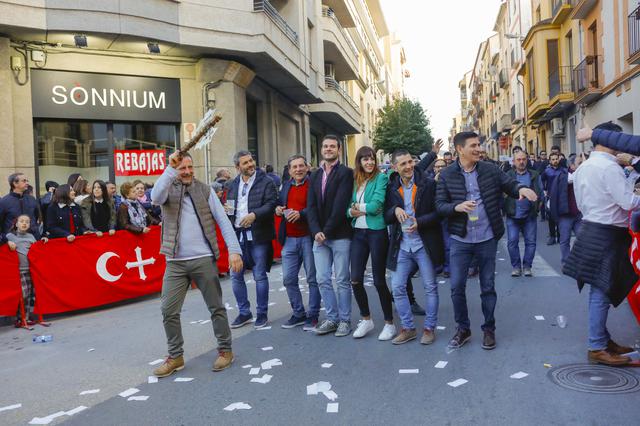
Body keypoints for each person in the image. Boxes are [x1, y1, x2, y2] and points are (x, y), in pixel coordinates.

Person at [436, 131, 537, 350]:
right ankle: (463, 329)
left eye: (479, 144)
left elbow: (509, 184)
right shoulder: (446, 175)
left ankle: (488, 329)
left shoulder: (490, 170)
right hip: (460, 239)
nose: (479, 149)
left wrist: (522, 188)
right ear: (460, 149)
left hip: (487, 238)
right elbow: (439, 206)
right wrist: (457, 207)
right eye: (473, 145)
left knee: (488, 286)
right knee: (456, 287)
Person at [150, 152, 243, 377]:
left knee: (216, 308)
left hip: (203, 259)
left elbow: (222, 220)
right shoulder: (167, 188)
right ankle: (176, 356)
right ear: (174, 169)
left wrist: (234, 250)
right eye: (182, 168)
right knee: (168, 310)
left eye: (190, 167)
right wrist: (169, 171)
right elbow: (154, 197)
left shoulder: (205, 189)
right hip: (174, 262)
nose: (188, 172)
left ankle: (225, 350)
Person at [563, 122, 638, 366]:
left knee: (599, 289)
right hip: (607, 233)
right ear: (611, 141)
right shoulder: (609, 168)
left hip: (591, 228)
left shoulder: (584, 167)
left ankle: (603, 340)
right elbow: (627, 203)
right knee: (601, 291)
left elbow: (582, 203)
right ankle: (597, 346)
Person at [385, 149, 444, 345]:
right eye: (403, 164)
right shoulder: (392, 187)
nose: (408, 166)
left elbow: (438, 213)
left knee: (430, 287)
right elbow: (386, 215)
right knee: (398, 287)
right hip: (402, 246)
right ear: (395, 167)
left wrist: (420, 221)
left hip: (423, 244)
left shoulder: (428, 184)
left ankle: (429, 328)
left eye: (410, 162)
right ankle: (408, 328)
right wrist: (395, 209)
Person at [346, 146, 395, 340]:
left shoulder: (381, 178)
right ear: (359, 161)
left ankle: (389, 323)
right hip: (358, 232)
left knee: (379, 280)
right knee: (355, 278)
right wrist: (352, 211)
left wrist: (357, 207)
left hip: (376, 232)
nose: (369, 162)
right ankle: (366, 319)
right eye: (365, 159)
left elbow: (376, 207)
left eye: (372, 159)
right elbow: (347, 209)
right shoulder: (355, 181)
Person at [307, 135, 354, 336]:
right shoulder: (315, 175)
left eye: (332, 146)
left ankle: (345, 320)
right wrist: (316, 231)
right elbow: (310, 206)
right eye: (325, 146)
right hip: (319, 237)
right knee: (322, 279)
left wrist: (325, 232)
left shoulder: (345, 173)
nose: (328, 149)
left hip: (340, 235)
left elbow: (340, 205)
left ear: (339, 150)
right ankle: (332, 319)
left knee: (342, 279)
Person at [226, 150, 278, 329]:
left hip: (258, 235)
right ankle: (244, 312)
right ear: (237, 167)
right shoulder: (232, 185)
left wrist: (254, 215)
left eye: (251, 161)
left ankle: (262, 314)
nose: (250, 164)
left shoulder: (266, 182)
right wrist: (228, 213)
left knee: (259, 275)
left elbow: (272, 204)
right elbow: (230, 209)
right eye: (245, 163)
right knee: (235, 275)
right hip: (238, 236)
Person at [276, 155, 321, 331]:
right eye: (294, 167)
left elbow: (317, 207)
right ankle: (298, 313)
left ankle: (313, 315)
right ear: (289, 170)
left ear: (307, 167)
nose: (298, 169)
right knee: (288, 279)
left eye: (301, 166)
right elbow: (279, 204)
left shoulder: (313, 185)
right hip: (289, 239)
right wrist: (278, 209)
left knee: (312, 278)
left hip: (308, 238)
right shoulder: (285, 185)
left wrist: (301, 213)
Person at [504, 151, 542, 277]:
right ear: (513, 161)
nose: (521, 162)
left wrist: (537, 207)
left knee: (530, 242)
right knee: (512, 242)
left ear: (527, 160)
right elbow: (502, 193)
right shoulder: (508, 175)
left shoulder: (534, 175)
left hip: (529, 215)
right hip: (512, 215)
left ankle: (527, 267)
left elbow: (540, 192)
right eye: (518, 159)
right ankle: (516, 267)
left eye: (524, 159)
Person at [7, 215, 47, 326]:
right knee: (23, 295)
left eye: (27, 222)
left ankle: (27, 317)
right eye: (22, 221)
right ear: (16, 224)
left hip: (31, 270)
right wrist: (8, 243)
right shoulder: (10, 236)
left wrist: (43, 240)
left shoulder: (31, 236)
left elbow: (37, 250)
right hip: (18, 271)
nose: (24, 223)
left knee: (31, 294)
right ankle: (19, 318)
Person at [549, 155, 582, 265]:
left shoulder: (584, 175)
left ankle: (579, 262)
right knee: (565, 240)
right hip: (565, 215)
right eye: (579, 163)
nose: (582, 165)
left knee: (582, 239)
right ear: (572, 165)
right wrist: (555, 216)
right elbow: (554, 195)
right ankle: (566, 263)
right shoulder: (562, 176)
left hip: (579, 214)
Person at [0, 173, 41, 243]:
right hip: (12, 242)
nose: (27, 183)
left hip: (33, 240)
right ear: (15, 184)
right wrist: (5, 239)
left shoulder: (32, 199)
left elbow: (36, 216)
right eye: (24, 181)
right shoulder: (4, 201)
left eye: (27, 181)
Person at [541, 152, 563, 245]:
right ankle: (552, 237)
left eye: (556, 159)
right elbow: (542, 180)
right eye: (553, 159)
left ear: (559, 159)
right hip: (550, 197)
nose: (555, 161)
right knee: (551, 218)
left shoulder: (563, 170)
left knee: (560, 218)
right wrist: (544, 190)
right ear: (550, 161)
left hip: (561, 197)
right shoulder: (547, 171)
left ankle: (560, 236)